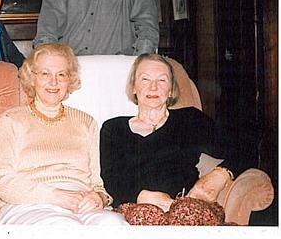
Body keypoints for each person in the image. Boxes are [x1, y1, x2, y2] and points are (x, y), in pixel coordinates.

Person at [0, 43, 126, 225]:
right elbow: (2, 182)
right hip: (29, 203)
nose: (53, 82)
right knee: (63, 227)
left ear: (69, 80)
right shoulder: (12, 120)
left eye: (61, 74)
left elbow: (97, 183)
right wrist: (57, 196)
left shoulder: (86, 122)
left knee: (113, 225)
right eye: (45, 74)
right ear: (32, 78)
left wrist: (100, 198)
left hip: (81, 204)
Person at [100, 53, 246, 211]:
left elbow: (245, 148)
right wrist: (142, 196)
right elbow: (112, 180)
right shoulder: (113, 129)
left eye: (162, 80)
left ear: (170, 90)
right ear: (134, 87)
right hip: (136, 209)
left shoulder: (190, 120)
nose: (153, 87)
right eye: (145, 79)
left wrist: (220, 175)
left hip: (185, 207)